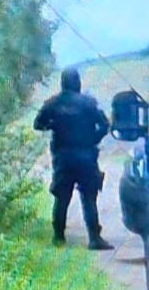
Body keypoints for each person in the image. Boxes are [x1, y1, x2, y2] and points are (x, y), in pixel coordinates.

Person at [33, 67, 115, 250]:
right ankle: (94, 238)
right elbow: (104, 124)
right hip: (86, 155)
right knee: (89, 197)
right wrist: (93, 138)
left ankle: (59, 237)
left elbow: (38, 124)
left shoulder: (52, 104)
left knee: (62, 197)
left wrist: (53, 124)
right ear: (78, 83)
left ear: (62, 83)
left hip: (63, 157)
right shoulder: (89, 103)